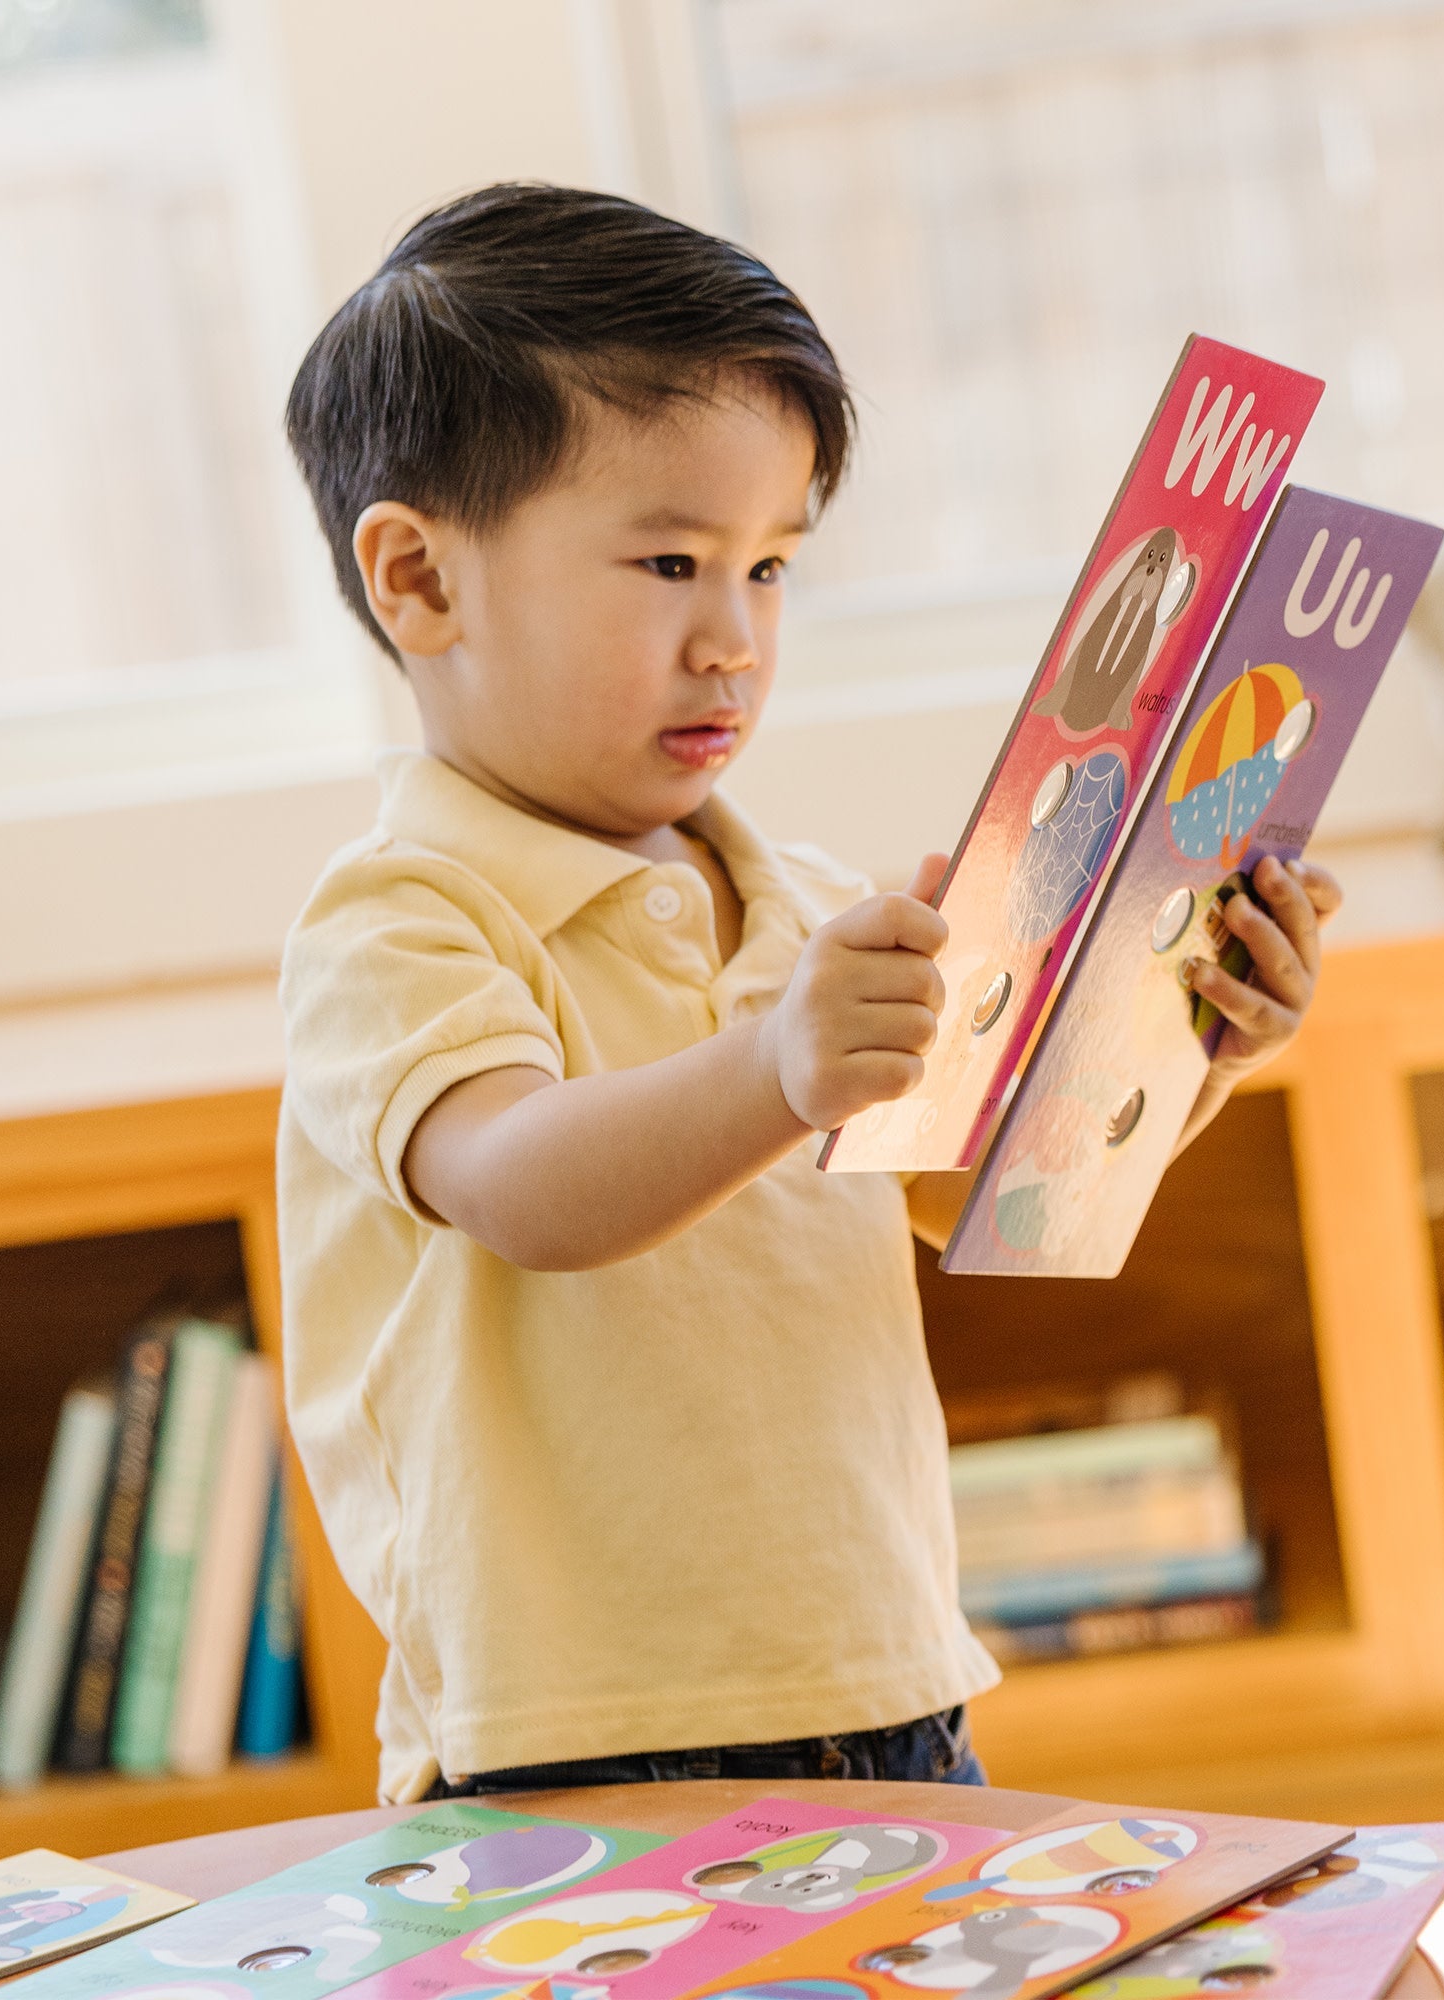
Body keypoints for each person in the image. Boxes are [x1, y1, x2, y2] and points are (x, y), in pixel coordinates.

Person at [276, 183, 1339, 1804]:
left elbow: (991, 1200)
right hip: (569, 1746)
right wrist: (784, 1067)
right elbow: (518, 1186)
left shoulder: (810, 906)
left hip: (888, 1686)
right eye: (669, 562)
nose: (735, 640)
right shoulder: (398, 917)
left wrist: (1197, 1040)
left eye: (773, 568)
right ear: (420, 581)